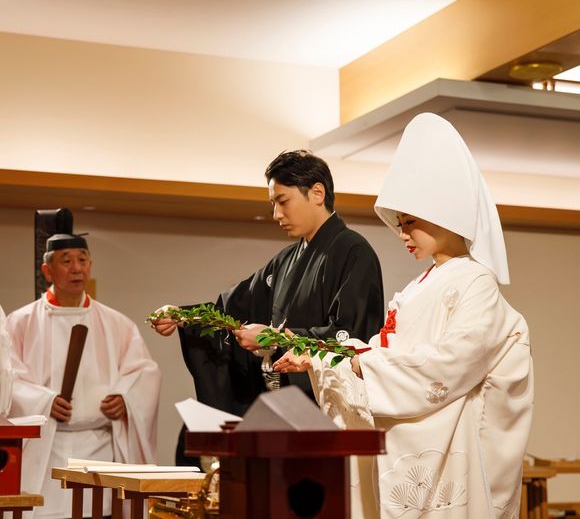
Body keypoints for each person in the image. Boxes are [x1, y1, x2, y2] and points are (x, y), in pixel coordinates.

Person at [274, 114, 534, 518]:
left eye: (410, 222)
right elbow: (385, 349)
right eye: (399, 224)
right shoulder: (417, 287)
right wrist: (323, 358)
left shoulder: (476, 282)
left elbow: (451, 365)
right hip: (407, 430)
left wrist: (362, 364)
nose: (402, 234)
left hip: (451, 444)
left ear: (446, 214)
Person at [151, 149, 384, 459]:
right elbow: (233, 309)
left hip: (329, 415)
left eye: (283, 201)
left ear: (317, 193)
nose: (276, 214)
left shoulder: (354, 252)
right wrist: (184, 316)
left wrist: (274, 339)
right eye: (273, 204)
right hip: (283, 412)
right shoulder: (285, 261)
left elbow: (351, 338)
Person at [7, 233, 162, 518]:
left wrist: (125, 398)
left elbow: (144, 372)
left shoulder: (117, 323)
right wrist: (43, 401)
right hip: (44, 450)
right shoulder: (20, 322)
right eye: (66, 261)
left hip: (100, 448)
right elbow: (7, 380)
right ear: (47, 271)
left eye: (83, 260)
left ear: (90, 265)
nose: (77, 268)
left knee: (99, 511)